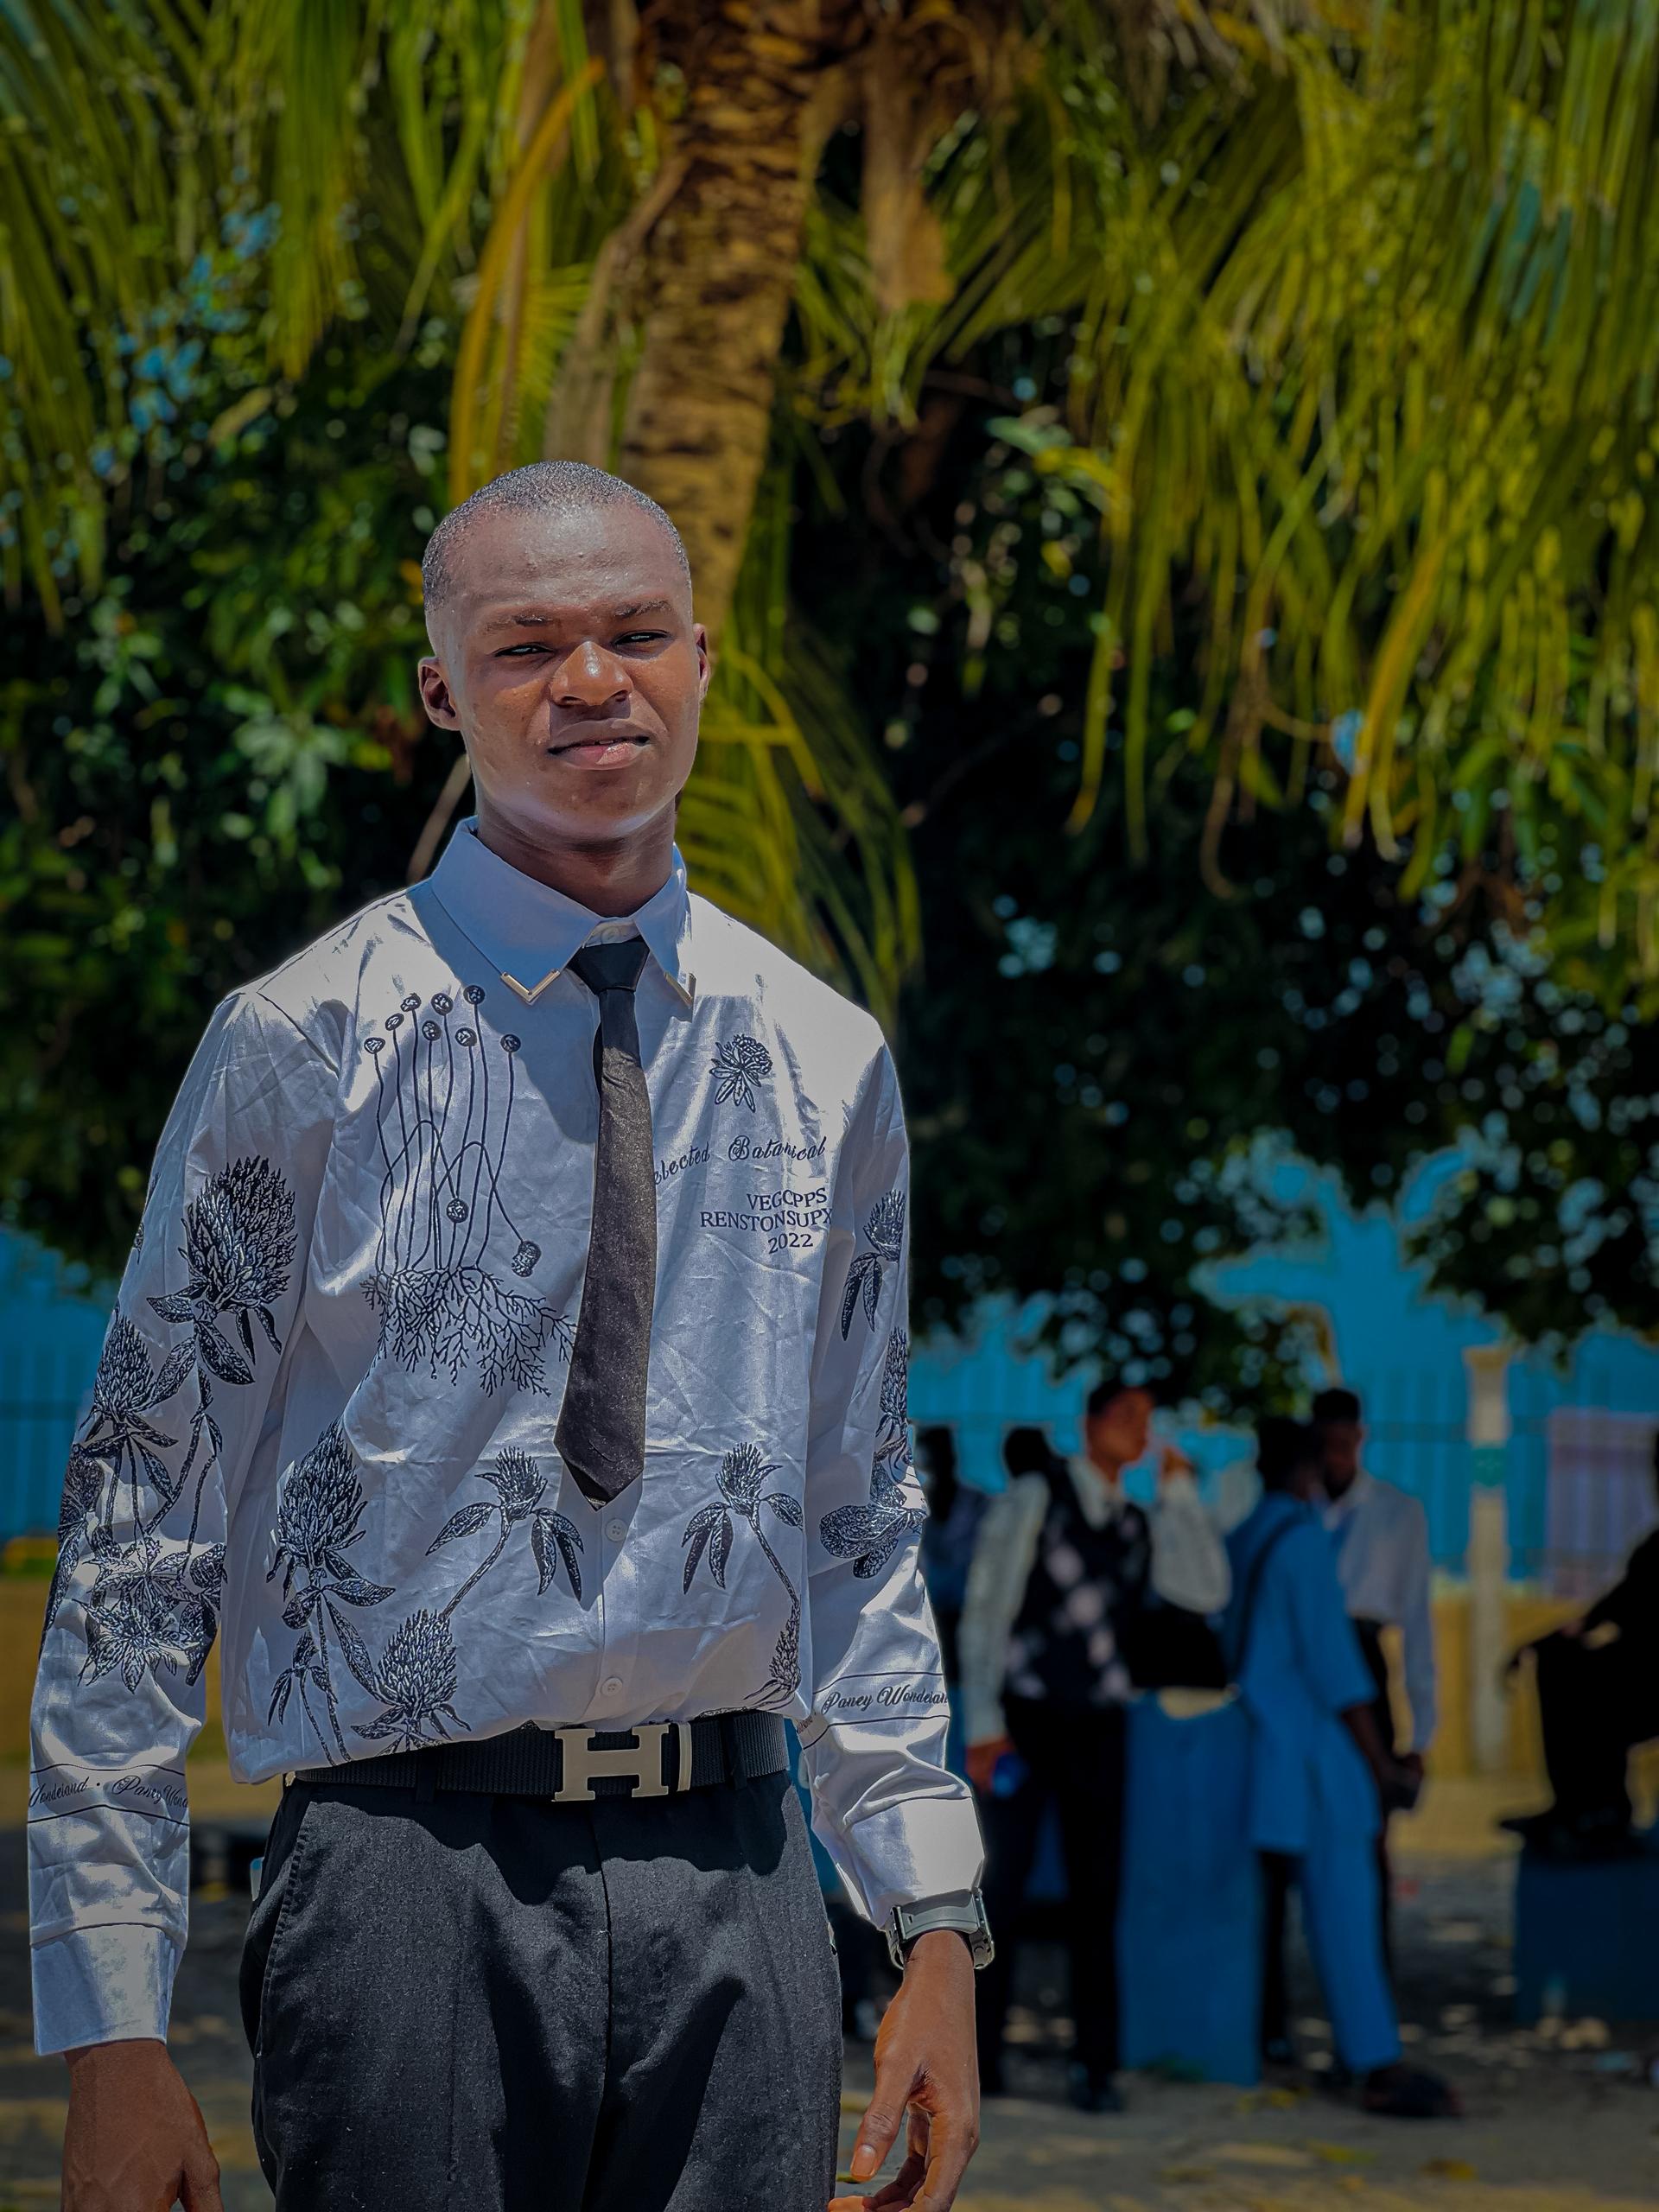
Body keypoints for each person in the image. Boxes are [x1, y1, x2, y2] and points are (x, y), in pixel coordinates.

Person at [29, 461, 989, 2212]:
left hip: (741, 1870)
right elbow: (140, 1526)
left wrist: (930, 1916)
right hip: (404, 1871)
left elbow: (859, 1513)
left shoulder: (824, 1054)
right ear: (442, 691)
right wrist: (111, 2027)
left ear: (702, 659)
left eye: (635, 632)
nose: (591, 679)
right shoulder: (305, 1042)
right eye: (527, 644)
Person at [957, 1383, 1230, 2113]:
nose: (1139, 1430)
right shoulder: (1035, 1498)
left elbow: (1205, 1592)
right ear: (1091, 1425)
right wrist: (983, 1721)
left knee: (1097, 1896)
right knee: (999, 1889)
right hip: (1025, 1721)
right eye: (1126, 1417)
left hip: (1102, 1729)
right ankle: (979, 2061)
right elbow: (988, 1607)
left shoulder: (1137, 1521)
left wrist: (1180, 1496)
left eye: (1147, 1419)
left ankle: (1095, 2068)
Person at [1229, 1418, 1457, 2119]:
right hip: (1317, 1761)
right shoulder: (1302, 1542)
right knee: (1346, 1915)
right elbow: (1337, 1670)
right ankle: (1374, 2061)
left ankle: (1271, 2042)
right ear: (1309, 1472)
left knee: (1263, 1919)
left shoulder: (1243, 1535)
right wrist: (1382, 1762)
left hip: (1259, 1751)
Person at [1313, 1385, 1435, 1966]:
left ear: (1360, 1438)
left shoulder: (1397, 1513)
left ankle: (1373, 1969)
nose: (1334, 1457)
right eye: (1324, 1445)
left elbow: (1417, 1623)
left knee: (1372, 1824)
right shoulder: (1297, 1510)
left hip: (1365, 1662)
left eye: (1344, 1443)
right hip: (1307, 1673)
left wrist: (1423, 1733)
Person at [1503, 1428, 1659, 1858]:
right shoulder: (1652, 1550)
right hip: (1632, 1675)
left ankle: (1604, 1813)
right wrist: (1533, 1646)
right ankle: (1576, 1808)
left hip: (1644, 1684)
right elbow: (1599, 1614)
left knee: (1599, 1689)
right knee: (1562, 1663)